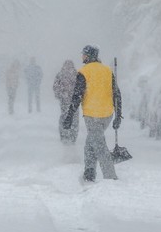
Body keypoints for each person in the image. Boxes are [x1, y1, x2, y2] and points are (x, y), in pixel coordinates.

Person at [61, 45, 122, 182]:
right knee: (91, 142)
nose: (81, 56)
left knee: (100, 147)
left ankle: (111, 177)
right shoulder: (107, 71)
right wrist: (118, 115)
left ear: (88, 56)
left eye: (83, 54)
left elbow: (77, 96)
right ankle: (89, 172)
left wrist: (69, 116)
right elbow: (117, 94)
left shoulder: (84, 72)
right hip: (107, 114)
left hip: (92, 115)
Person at [52, 60, 78, 143]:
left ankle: (66, 135)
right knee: (73, 117)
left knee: (66, 117)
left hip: (68, 99)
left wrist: (60, 94)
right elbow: (56, 86)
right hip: (71, 100)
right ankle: (71, 135)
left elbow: (56, 86)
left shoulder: (61, 74)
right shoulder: (76, 74)